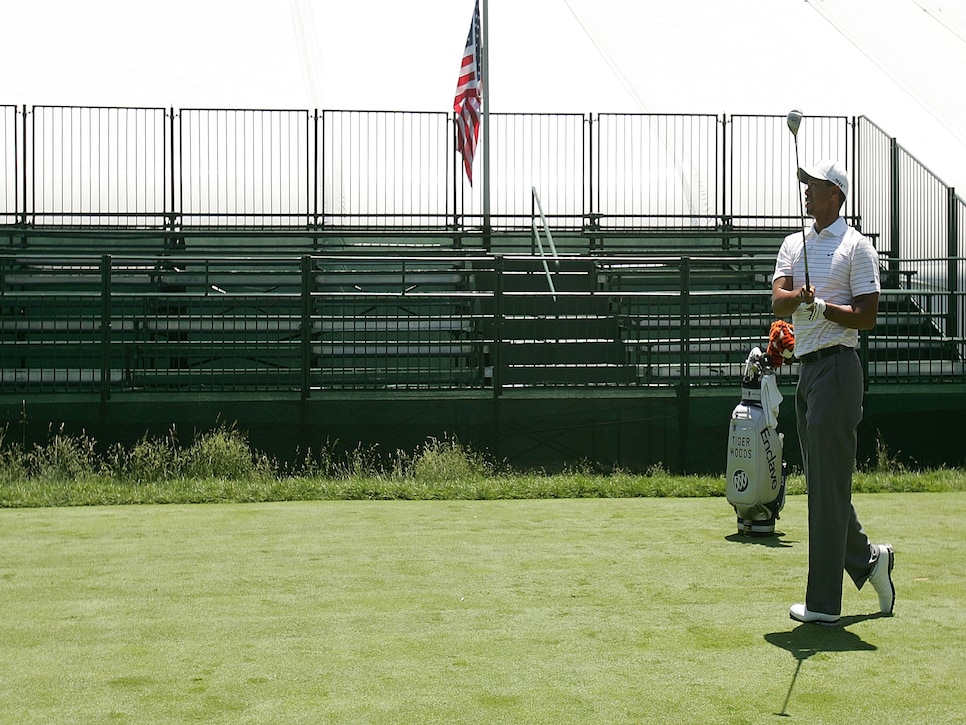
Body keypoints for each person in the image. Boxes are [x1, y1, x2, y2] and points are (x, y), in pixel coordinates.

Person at [771, 159, 895, 625]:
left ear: (836, 195)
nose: (807, 192)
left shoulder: (857, 247)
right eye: (806, 185)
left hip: (839, 371)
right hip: (807, 373)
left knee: (826, 486)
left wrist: (821, 305)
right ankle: (868, 559)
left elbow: (866, 316)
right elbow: (778, 299)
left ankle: (824, 603)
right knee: (825, 484)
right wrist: (800, 297)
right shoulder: (792, 244)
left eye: (815, 186)